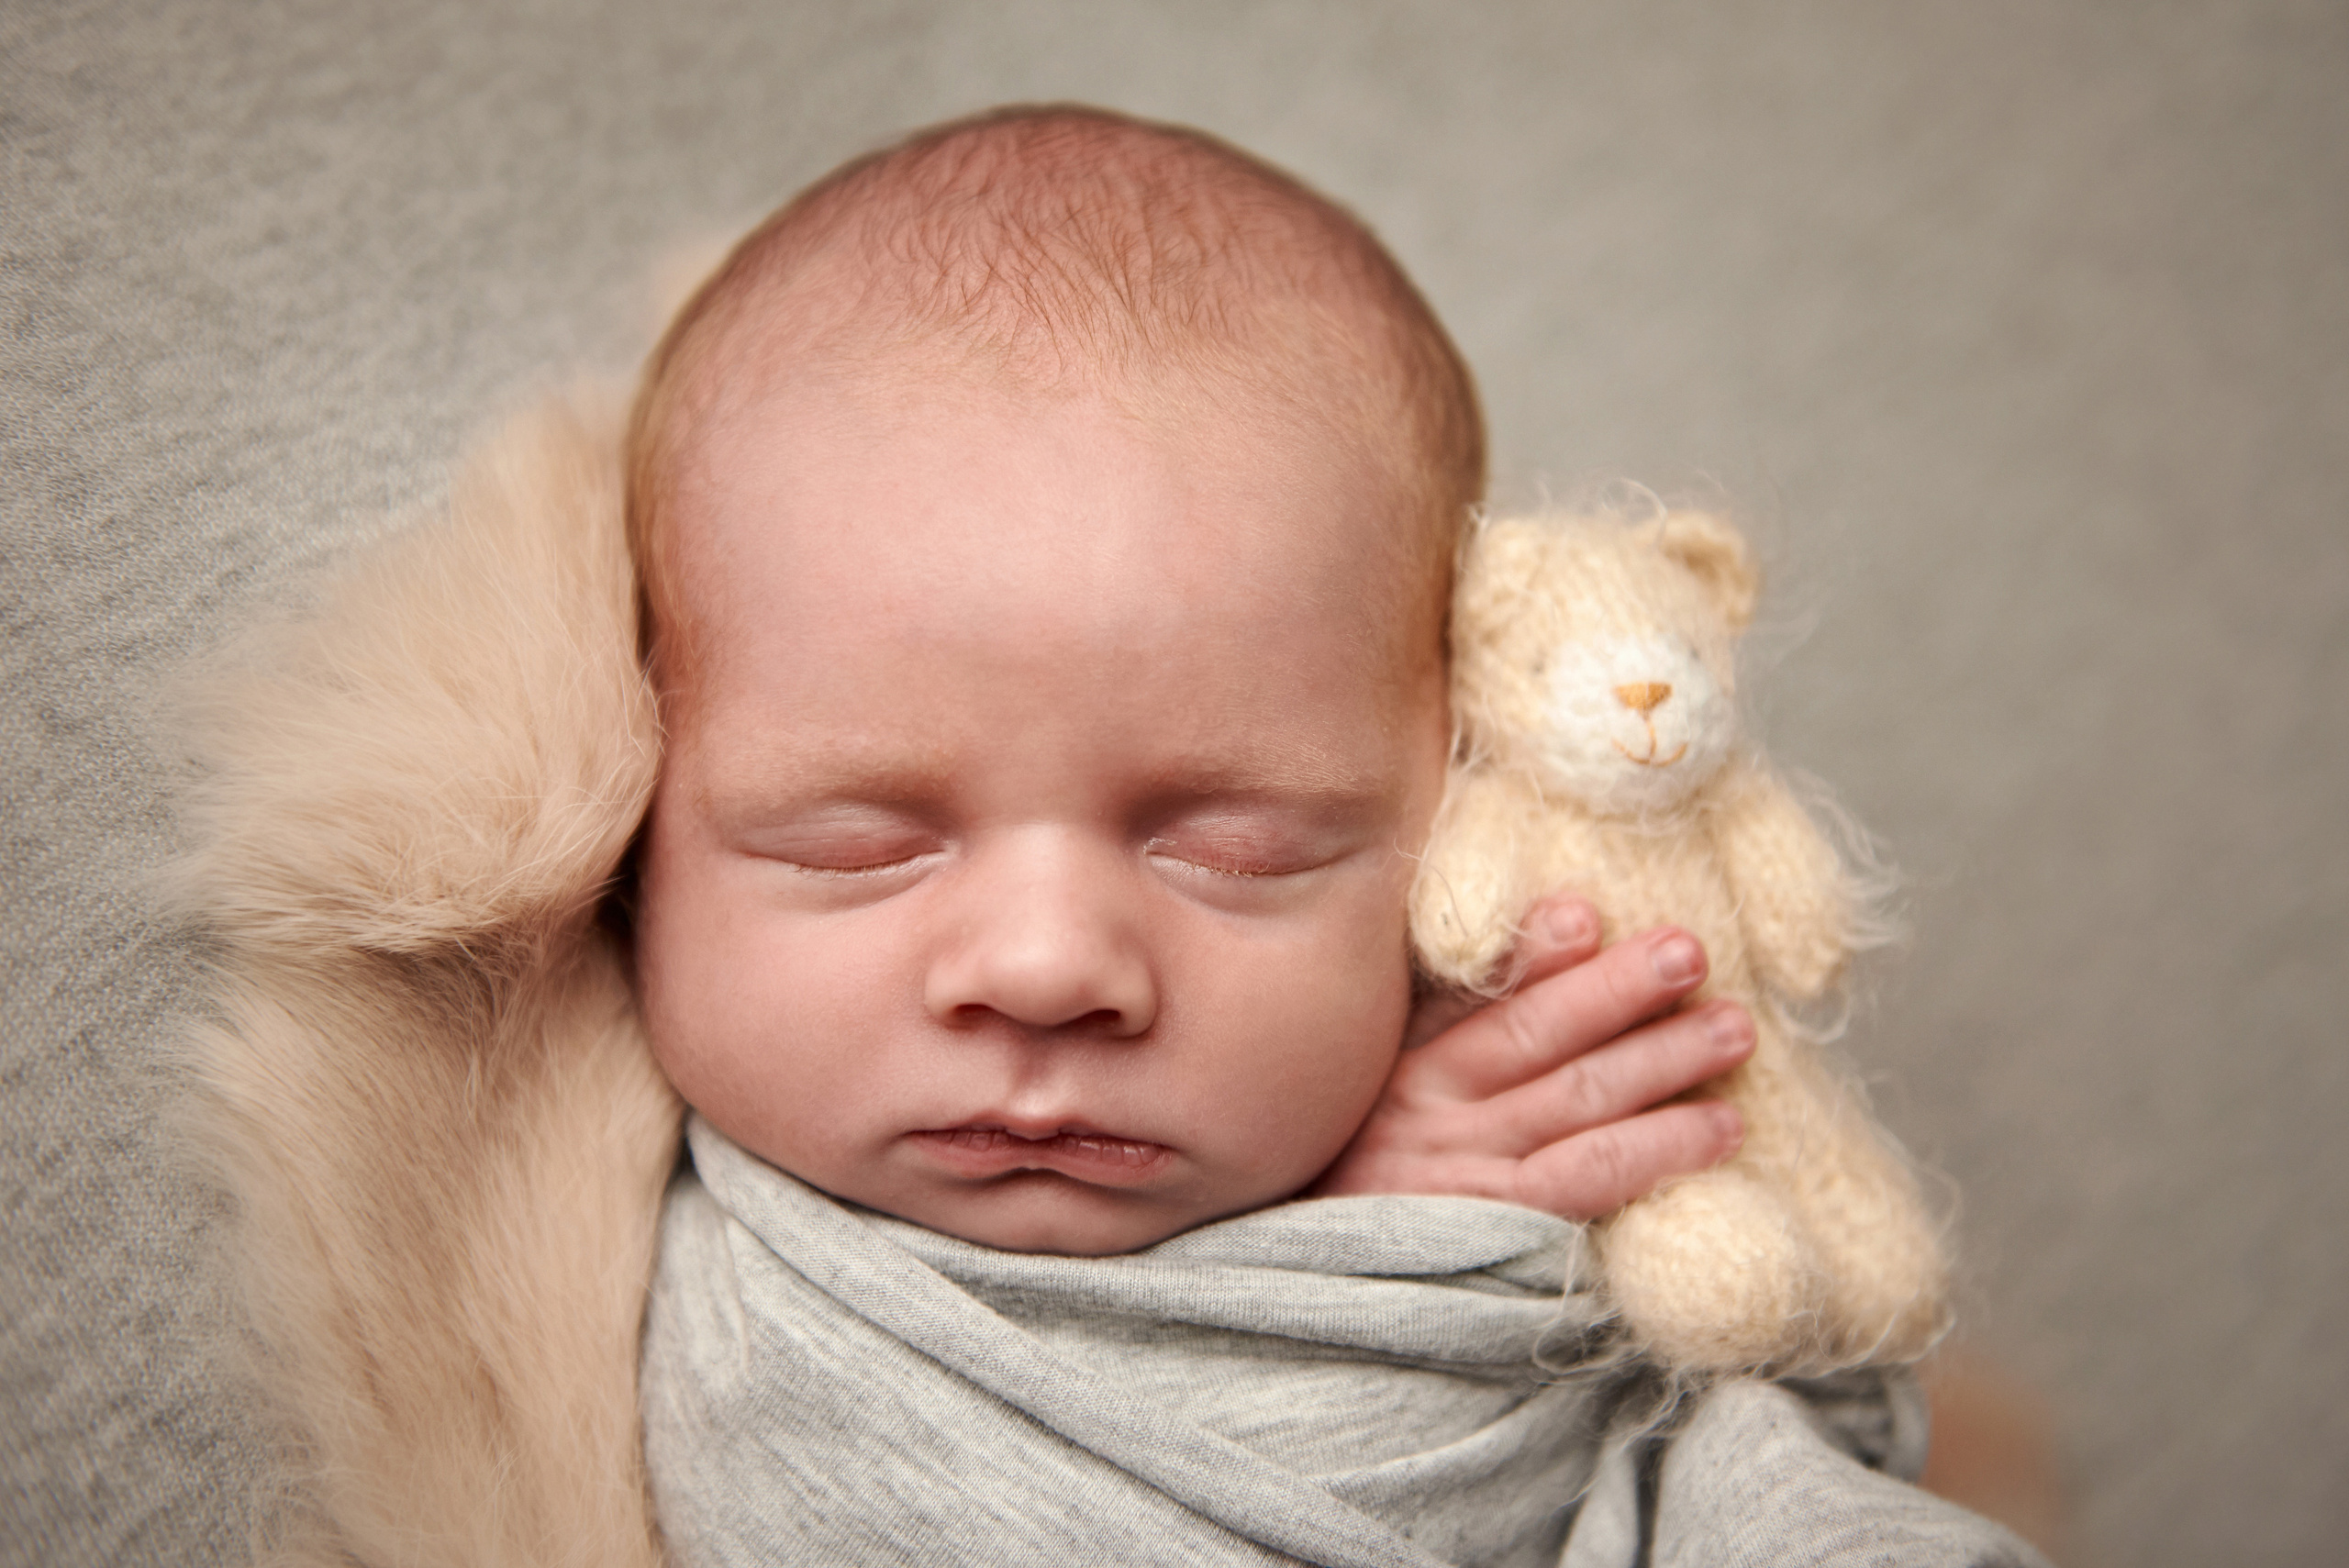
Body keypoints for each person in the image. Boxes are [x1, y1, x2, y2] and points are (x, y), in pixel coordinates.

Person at [618, 105, 2044, 1565]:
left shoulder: (1504, 1159)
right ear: (637, 836)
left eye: (1236, 848)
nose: (1047, 966)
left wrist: (1400, 1249)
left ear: (1456, 796)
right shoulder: (545, 1253)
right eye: (860, 845)